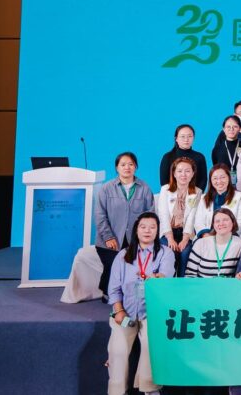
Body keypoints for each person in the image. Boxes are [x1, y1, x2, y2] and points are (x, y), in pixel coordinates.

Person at [106, 211, 175, 395]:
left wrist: (157, 278)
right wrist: (119, 311)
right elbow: (114, 289)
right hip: (125, 312)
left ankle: (150, 390)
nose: (147, 231)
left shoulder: (165, 253)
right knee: (117, 350)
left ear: (158, 231)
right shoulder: (123, 255)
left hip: (152, 313)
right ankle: (117, 391)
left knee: (151, 346)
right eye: (143, 227)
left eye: (152, 227)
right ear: (136, 230)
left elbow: (166, 276)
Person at [95, 152, 155, 294]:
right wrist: (108, 237)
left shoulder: (144, 188)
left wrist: (144, 237)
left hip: (135, 239)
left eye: (130, 164)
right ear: (117, 168)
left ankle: (130, 295)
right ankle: (107, 292)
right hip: (110, 239)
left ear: (135, 167)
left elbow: (150, 215)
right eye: (123, 165)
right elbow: (100, 215)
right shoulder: (106, 188)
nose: (127, 167)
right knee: (111, 267)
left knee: (135, 269)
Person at [155, 156, 201, 275]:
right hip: (167, 232)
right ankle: (168, 281)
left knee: (185, 253)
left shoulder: (197, 192)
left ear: (192, 174)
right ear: (174, 174)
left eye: (187, 171)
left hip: (186, 233)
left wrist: (185, 239)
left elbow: (192, 217)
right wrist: (170, 238)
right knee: (170, 252)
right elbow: (163, 215)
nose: (183, 174)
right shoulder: (165, 189)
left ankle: (181, 281)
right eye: (179, 171)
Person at [188, 164, 241, 239]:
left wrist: (225, 236)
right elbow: (198, 221)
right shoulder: (203, 198)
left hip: (231, 238)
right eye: (215, 178)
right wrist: (205, 235)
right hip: (207, 238)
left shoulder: (239, 196)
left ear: (229, 178)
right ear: (211, 181)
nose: (219, 181)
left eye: (223, 177)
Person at [185, 208, 241, 278]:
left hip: (228, 285)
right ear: (213, 225)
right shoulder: (200, 243)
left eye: (225, 220)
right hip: (202, 284)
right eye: (217, 221)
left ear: (233, 222)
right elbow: (190, 275)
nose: (221, 223)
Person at [157, 123, 208, 191]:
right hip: (172, 194)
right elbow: (164, 182)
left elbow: (203, 180)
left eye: (189, 136)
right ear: (176, 138)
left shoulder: (200, 157)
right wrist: (173, 194)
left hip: (194, 194)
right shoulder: (168, 157)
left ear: (193, 138)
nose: (186, 139)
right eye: (182, 136)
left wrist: (195, 194)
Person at [210, 115, 241, 180]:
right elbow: (216, 168)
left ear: (240, 128)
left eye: (235, 126)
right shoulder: (217, 149)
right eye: (228, 127)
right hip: (223, 183)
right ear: (224, 129)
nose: (231, 129)